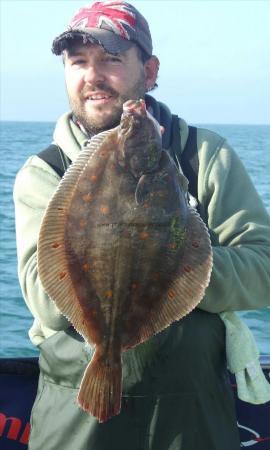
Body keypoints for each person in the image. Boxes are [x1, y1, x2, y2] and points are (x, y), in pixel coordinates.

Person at [13, 1, 270, 449]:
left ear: (149, 71)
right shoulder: (44, 173)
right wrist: (144, 261)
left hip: (192, 414)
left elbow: (263, 271)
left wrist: (175, 264)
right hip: (74, 414)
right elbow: (46, 302)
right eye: (78, 62)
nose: (92, 76)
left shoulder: (204, 156)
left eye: (111, 59)